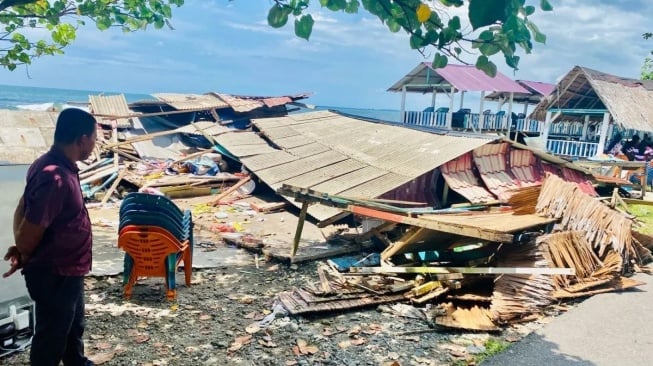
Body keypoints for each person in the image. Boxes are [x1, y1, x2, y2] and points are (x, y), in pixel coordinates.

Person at [3, 108, 97, 366]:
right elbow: (27, 230)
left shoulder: (54, 166)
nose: (94, 144)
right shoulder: (54, 177)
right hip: (55, 274)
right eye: (94, 139)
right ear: (81, 140)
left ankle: (76, 362)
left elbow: (24, 206)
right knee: (51, 337)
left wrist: (24, 246)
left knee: (73, 326)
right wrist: (23, 248)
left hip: (70, 271)